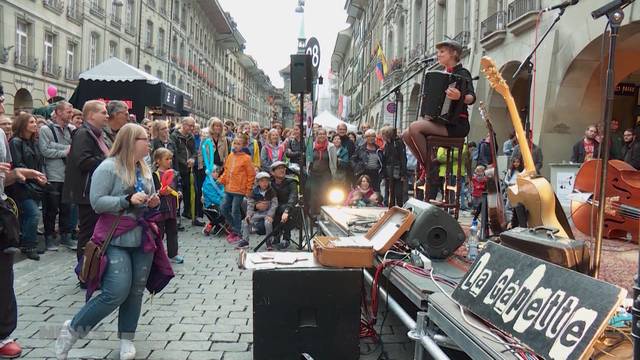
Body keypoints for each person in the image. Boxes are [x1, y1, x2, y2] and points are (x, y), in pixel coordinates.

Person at [55, 123, 173, 360]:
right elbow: (97, 202)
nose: (148, 144)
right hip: (115, 238)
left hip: (143, 238)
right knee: (115, 291)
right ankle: (72, 329)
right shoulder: (108, 167)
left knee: (136, 291)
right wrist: (127, 200)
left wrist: (152, 202)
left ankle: (126, 339)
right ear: (131, 140)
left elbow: (150, 200)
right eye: (144, 139)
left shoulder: (145, 168)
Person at [402, 39, 476, 169]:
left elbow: (472, 97)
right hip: (441, 123)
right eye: (438, 52)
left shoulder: (462, 73)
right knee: (405, 135)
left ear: (453, 53)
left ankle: (431, 169)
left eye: (442, 52)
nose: (438, 55)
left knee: (414, 127)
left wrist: (460, 96)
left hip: (457, 125)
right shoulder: (441, 75)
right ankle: (428, 166)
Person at [63, 100, 111, 263]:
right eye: (103, 112)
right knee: (88, 233)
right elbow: (83, 161)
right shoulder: (83, 133)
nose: (107, 116)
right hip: (86, 191)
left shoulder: (97, 133)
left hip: (94, 189)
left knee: (94, 232)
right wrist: (107, 159)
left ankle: (93, 270)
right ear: (91, 115)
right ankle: (85, 273)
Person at [39, 101, 76, 251]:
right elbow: (45, 150)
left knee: (66, 208)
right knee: (51, 209)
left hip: (68, 175)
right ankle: (49, 237)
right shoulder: (45, 129)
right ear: (59, 112)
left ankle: (65, 236)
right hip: (53, 175)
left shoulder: (72, 129)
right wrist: (64, 151)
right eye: (68, 111)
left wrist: (57, 147)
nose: (71, 114)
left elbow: (75, 149)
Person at [8, 113, 44, 260]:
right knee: (33, 213)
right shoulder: (15, 142)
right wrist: (33, 176)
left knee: (29, 215)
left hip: (33, 184)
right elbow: (17, 164)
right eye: (31, 122)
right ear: (23, 124)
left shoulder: (34, 142)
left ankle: (25, 241)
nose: (35, 125)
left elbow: (38, 163)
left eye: (35, 122)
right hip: (21, 185)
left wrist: (39, 177)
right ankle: (29, 244)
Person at [218, 134, 256, 245]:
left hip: (239, 189)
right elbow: (226, 171)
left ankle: (237, 232)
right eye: (235, 143)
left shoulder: (247, 158)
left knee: (235, 210)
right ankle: (235, 227)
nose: (236, 145)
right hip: (229, 187)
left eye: (238, 144)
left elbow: (251, 175)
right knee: (223, 207)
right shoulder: (230, 156)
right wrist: (221, 179)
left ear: (243, 145)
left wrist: (249, 189)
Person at [152, 148, 183, 264]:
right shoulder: (154, 175)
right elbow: (154, 189)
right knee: (159, 231)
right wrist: (159, 192)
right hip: (161, 208)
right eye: (167, 159)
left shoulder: (174, 173)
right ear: (158, 161)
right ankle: (158, 254)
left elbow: (179, 185)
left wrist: (179, 192)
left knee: (173, 230)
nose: (169, 161)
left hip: (172, 207)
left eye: (171, 159)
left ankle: (173, 253)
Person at [170, 117, 198, 222]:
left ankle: (189, 212)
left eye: (193, 126)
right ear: (183, 124)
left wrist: (192, 159)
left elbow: (194, 151)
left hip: (189, 169)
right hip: (179, 168)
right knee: (179, 192)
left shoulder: (191, 137)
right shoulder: (174, 136)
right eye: (190, 126)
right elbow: (175, 154)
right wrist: (185, 162)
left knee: (192, 191)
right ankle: (177, 217)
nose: (192, 128)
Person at [240, 172, 278, 249]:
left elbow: (274, 204)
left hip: (267, 213)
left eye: (266, 181)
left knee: (268, 223)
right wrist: (249, 215)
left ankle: (268, 241)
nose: (264, 183)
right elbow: (250, 204)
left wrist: (270, 215)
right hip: (257, 213)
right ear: (258, 182)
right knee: (246, 222)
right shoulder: (254, 192)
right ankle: (245, 241)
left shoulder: (271, 191)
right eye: (262, 181)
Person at [306, 128, 336, 216]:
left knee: (325, 194)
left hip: (325, 175)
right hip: (314, 174)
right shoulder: (311, 145)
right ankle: (314, 214)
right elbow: (308, 160)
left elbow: (334, 162)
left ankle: (324, 214)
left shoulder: (331, 147)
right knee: (314, 195)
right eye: (320, 134)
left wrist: (333, 174)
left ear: (326, 135)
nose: (321, 136)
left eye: (323, 134)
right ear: (316, 135)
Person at [270, 161, 298, 250]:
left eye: (283, 168)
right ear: (273, 172)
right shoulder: (270, 184)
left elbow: (293, 198)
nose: (282, 170)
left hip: (290, 208)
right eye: (279, 168)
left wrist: (287, 210)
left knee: (284, 210)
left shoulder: (291, 182)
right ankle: (276, 235)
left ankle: (286, 238)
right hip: (275, 208)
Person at [380, 126, 407, 207]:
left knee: (398, 193)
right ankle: (391, 208)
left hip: (397, 171)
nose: (382, 136)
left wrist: (403, 173)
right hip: (389, 172)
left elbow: (403, 158)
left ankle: (399, 207)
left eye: (383, 134)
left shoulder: (398, 143)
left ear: (387, 134)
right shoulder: (387, 144)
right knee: (389, 192)